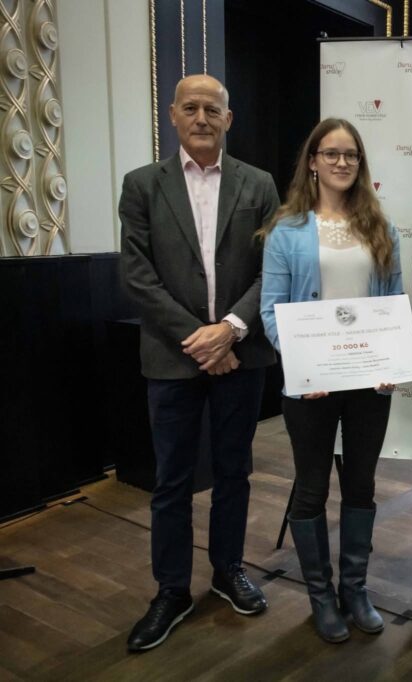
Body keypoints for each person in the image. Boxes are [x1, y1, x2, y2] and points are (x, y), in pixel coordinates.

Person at [120, 74, 279, 652]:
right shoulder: (141, 185)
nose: (202, 117)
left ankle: (228, 569)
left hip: (243, 354)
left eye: (213, 109)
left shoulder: (259, 185)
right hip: (173, 357)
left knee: (235, 471)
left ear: (228, 119)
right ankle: (171, 590)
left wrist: (230, 330)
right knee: (172, 482)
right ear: (173, 115)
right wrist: (200, 339)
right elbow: (137, 276)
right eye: (191, 107)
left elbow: (274, 271)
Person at [260, 118, 402, 643]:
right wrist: (302, 366)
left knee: (361, 485)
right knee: (312, 487)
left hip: (368, 381)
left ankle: (355, 590)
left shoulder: (379, 229)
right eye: (332, 153)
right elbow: (271, 311)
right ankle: (321, 596)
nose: (342, 162)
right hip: (311, 383)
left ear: (359, 165)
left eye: (351, 155)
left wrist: (391, 361)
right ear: (313, 161)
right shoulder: (287, 231)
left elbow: (393, 305)